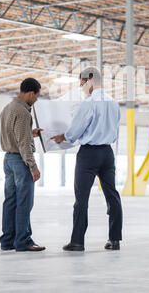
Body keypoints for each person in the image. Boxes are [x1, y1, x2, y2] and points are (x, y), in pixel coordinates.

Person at [52, 66, 123, 252]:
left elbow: (76, 130)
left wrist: (64, 137)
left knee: (81, 198)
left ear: (89, 80)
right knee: (112, 196)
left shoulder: (89, 103)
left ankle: (77, 241)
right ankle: (114, 240)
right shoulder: (114, 103)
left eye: (82, 83)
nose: (81, 87)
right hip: (107, 153)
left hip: (89, 154)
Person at [0, 78, 45, 252]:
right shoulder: (23, 112)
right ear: (31, 93)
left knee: (10, 201)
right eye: (37, 96)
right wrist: (33, 167)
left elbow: (13, 134)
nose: (36, 100)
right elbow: (24, 144)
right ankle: (23, 240)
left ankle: (7, 240)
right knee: (25, 202)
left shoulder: (8, 108)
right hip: (20, 161)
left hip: (8, 160)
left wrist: (29, 132)